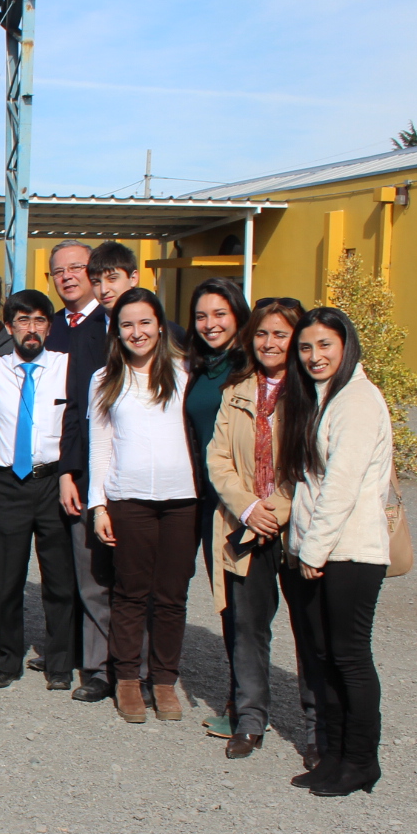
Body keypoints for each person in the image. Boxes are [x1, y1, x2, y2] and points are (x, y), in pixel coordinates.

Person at [280, 308, 393, 798]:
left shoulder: (359, 402)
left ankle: (362, 761)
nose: (314, 356)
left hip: (350, 553)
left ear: (346, 346)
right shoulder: (323, 399)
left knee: (348, 657)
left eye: (325, 345)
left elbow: (341, 487)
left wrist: (313, 550)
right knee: (322, 656)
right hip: (318, 549)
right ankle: (335, 756)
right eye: (305, 348)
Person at [207, 297, 315, 762]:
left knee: (311, 629)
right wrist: (249, 508)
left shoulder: (314, 392)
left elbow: (314, 463)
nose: (270, 343)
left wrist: (277, 508)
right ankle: (250, 719)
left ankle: (317, 728)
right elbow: (219, 458)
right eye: (262, 334)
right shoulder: (238, 390)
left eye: (281, 334)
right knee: (248, 627)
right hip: (248, 526)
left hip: (301, 528)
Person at [87, 287, 196, 725]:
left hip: (180, 500)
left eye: (145, 322)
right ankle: (128, 679)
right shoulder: (104, 378)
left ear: (160, 325)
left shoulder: (185, 371)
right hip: (128, 499)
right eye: (127, 324)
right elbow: (100, 447)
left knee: (172, 596)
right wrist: (99, 506)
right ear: (117, 330)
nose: (137, 332)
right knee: (130, 595)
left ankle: (165, 680)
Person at [0, 290, 76, 690]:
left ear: (49, 327)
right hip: (7, 484)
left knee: (59, 580)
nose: (31, 328)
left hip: (54, 482)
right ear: (9, 327)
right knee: (5, 579)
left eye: (39, 321)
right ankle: (6, 660)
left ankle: (59, 664)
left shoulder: (68, 367)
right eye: (22, 321)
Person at [48, 239, 119, 702]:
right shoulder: (50, 327)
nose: (69, 276)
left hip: (107, 466)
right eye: (59, 271)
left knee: (101, 574)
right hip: (63, 465)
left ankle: (108, 664)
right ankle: (75, 653)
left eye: (78, 268)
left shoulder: (114, 325)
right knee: (67, 569)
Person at [183, 278, 251, 736]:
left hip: (243, 504)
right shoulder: (197, 365)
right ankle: (241, 695)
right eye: (202, 316)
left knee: (244, 606)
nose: (210, 324)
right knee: (226, 603)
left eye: (220, 314)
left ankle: (246, 704)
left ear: (238, 315)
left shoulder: (250, 367)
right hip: (206, 503)